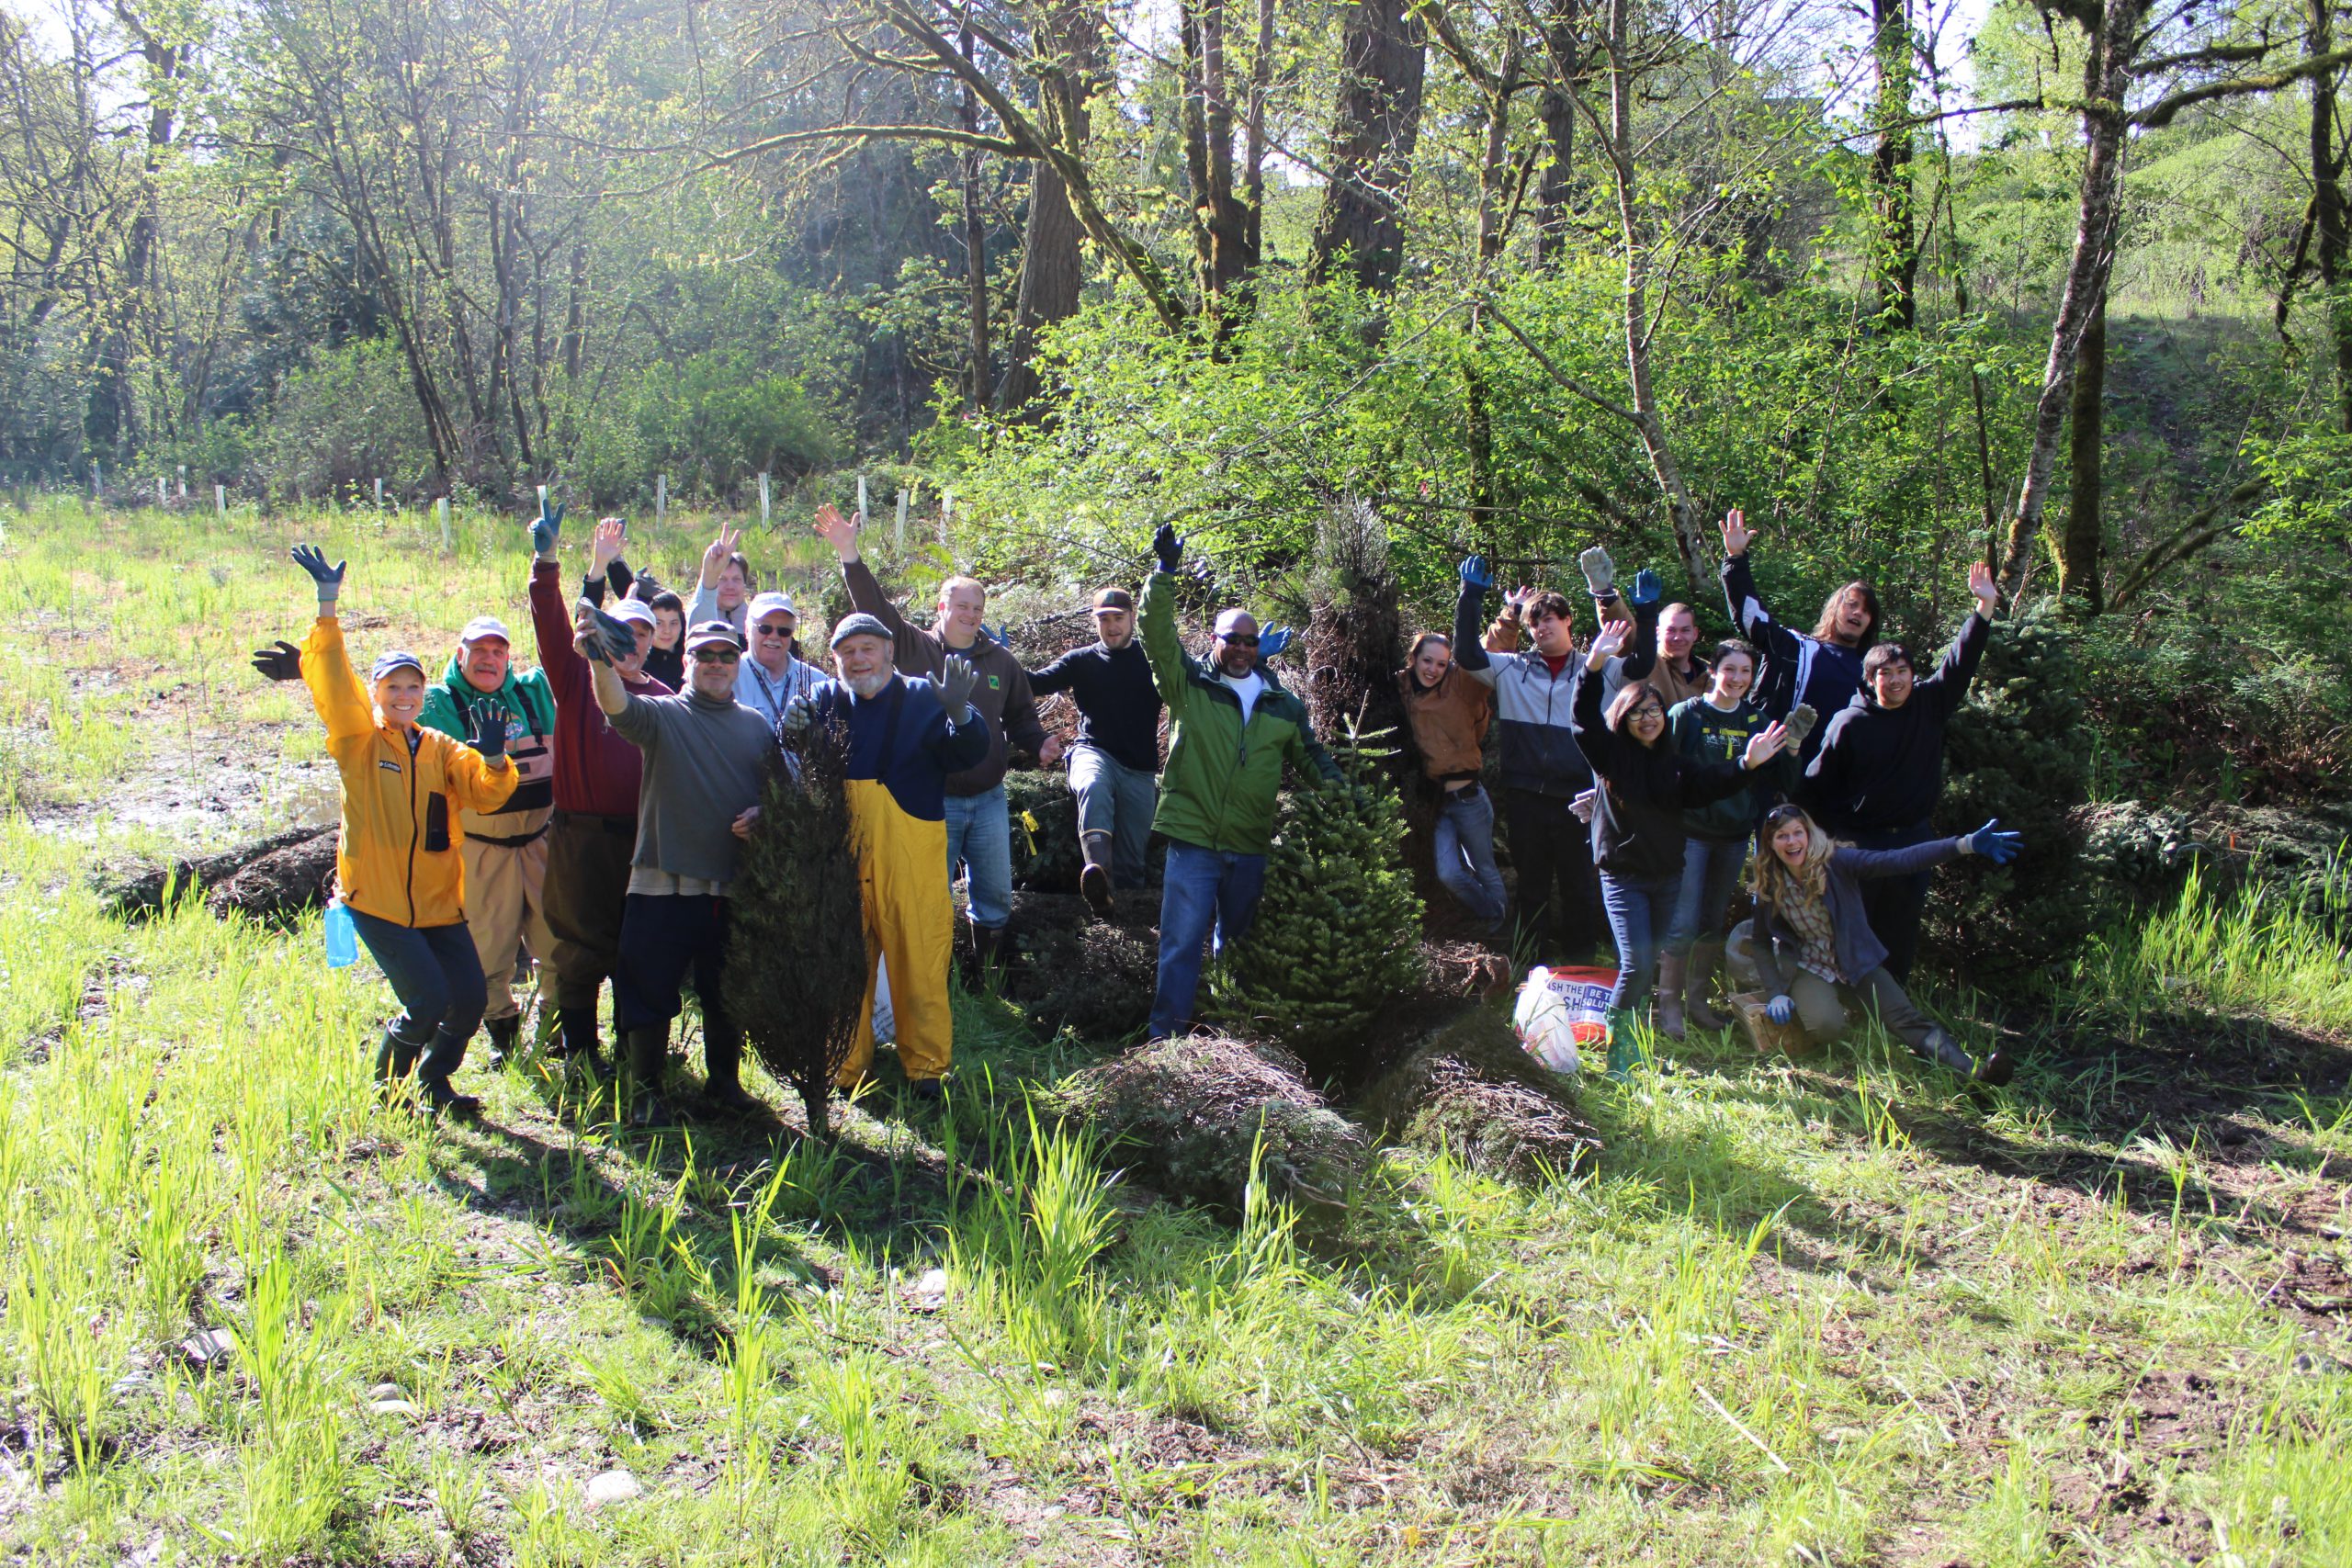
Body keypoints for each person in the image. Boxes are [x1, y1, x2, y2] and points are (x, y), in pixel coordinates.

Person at [287, 542, 517, 1119]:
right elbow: (335, 684)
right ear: (377, 694)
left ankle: (435, 1083)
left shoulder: (439, 746)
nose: (406, 696)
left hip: (440, 902)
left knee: (468, 1002)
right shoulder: (358, 741)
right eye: (393, 688)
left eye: (413, 687)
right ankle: (388, 1097)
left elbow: (487, 796)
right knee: (427, 1000)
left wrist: (492, 758)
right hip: (380, 902)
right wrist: (327, 604)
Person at [814, 502, 1061, 974]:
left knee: (994, 894)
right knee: (928, 894)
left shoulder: (1001, 662)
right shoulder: (912, 647)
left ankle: (986, 979)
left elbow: (1022, 717)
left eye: (977, 608)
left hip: (988, 797)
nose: (970, 615)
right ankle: (932, 978)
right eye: (961, 606)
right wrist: (850, 555)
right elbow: (873, 609)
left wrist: (1040, 744)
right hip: (932, 798)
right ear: (942, 608)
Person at [577, 611, 776, 1127]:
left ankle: (725, 1084)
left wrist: (764, 815)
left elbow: (778, 796)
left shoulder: (756, 727)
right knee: (648, 989)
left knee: (725, 992)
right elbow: (618, 707)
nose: (715, 664)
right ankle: (645, 1090)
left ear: (739, 664)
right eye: (704, 655)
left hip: (729, 888)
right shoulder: (663, 715)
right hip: (661, 883)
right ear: (686, 662)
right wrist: (600, 663)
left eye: (726, 656)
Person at [1141, 525, 1340, 1040]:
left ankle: (1231, 1037)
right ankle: (1166, 1044)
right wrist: (1163, 574)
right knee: (1182, 943)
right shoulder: (1189, 685)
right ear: (1216, 640)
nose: (1242, 648)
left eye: (1251, 641)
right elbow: (1155, 635)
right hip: (1194, 841)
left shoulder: (1281, 703)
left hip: (1250, 844)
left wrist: (1346, 799)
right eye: (1233, 638)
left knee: (1238, 944)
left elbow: (1313, 758)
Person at [1568, 617, 1793, 1071]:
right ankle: (1620, 1049)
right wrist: (1592, 667)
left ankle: (1639, 1033)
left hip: (1668, 875)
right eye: (1638, 712)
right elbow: (1583, 720)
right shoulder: (1611, 757)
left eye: (1653, 712)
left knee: (1650, 961)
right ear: (1624, 718)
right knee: (1635, 963)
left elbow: (1710, 784)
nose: (1648, 719)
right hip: (1624, 876)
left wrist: (1747, 766)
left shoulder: (1674, 764)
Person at [783, 615, 990, 1100]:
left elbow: (971, 753)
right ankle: (845, 1067)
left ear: (889, 651)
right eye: (847, 652)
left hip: (911, 858)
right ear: (836, 661)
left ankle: (926, 1071)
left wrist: (961, 715)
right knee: (844, 964)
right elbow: (789, 748)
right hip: (843, 857)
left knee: (919, 959)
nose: (858, 660)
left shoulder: (926, 696)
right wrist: (790, 725)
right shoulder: (826, 701)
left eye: (868, 648)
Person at [1799, 560, 1998, 984]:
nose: (1894, 681)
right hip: (1859, 842)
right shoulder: (1848, 722)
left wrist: (1983, 609)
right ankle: (1846, 1003)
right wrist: (1824, 841)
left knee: (1901, 928)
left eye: (1902, 672)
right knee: (1855, 927)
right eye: (1884, 674)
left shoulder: (1930, 705)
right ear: (1869, 680)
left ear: (1912, 674)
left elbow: (1959, 664)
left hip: (1913, 838)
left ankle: (1889, 1011)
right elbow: (1816, 788)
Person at [532, 513, 673, 1081]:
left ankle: (636, 1054)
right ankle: (580, 1052)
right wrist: (548, 565)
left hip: (644, 841)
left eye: (643, 635)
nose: (634, 642)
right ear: (607, 636)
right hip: (581, 837)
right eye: (625, 632)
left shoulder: (666, 697)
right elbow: (548, 622)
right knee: (580, 949)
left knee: (638, 949)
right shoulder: (574, 678)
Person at [1736, 804, 2019, 1084]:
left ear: (1808, 834)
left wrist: (1965, 844)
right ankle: (1820, 1004)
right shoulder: (1769, 884)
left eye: (1797, 832)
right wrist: (1775, 993)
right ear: (1770, 844)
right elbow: (1760, 942)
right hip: (1810, 967)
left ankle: (1976, 1073)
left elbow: (1897, 860)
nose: (1792, 841)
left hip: (1856, 964)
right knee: (1827, 1027)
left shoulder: (1837, 862)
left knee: (1906, 1020)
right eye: (1782, 836)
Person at [416, 613, 559, 1066]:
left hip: (541, 840)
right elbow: (386, 709)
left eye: (498, 651)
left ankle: (553, 1032)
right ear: (461, 655)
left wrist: (596, 576)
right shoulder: (437, 703)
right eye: (479, 651)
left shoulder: (533, 692)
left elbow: (569, 648)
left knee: (558, 944)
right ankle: (504, 1039)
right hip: (481, 845)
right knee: (487, 951)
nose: (489, 660)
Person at [1452, 560, 1605, 964]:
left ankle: (1581, 970)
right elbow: (1466, 654)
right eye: (1535, 622)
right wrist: (1470, 595)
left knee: (1578, 887)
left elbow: (1642, 668)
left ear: (1569, 621)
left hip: (1578, 800)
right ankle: (1528, 967)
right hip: (1525, 798)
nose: (1542, 628)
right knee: (1532, 886)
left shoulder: (1596, 669)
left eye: (1550, 619)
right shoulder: (1511, 668)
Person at [1661, 638, 1778, 1034]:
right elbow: (1661, 769)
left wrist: (1790, 748)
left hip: (1733, 835)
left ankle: (1697, 1003)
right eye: (1730, 669)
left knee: (1712, 919)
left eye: (1746, 671)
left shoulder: (1757, 723)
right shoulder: (1687, 715)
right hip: (1690, 833)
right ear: (1713, 670)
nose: (1738, 679)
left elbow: (1774, 782)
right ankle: (1668, 1006)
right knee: (1683, 920)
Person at [1026, 587, 1163, 914]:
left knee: (1132, 865)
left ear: (1132, 619)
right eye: (1104, 619)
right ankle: (1096, 873)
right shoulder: (1080, 660)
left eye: (1118, 618)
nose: (1112, 626)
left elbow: (1198, 678)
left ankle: (1121, 917)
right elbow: (1034, 683)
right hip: (1093, 751)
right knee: (1093, 784)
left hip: (1140, 768)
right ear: (1095, 621)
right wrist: (997, 659)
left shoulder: (1155, 660)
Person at [1718, 506, 1880, 749]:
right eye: (1852, 605)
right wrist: (1736, 559)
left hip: (1836, 779)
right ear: (1835, 609)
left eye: (1866, 611)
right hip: (1775, 772)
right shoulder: (1795, 649)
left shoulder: (1874, 673)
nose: (1858, 612)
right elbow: (1751, 617)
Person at [1396, 565, 1502, 933]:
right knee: (1448, 872)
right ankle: (1492, 914)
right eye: (1427, 660)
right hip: (1437, 801)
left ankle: (1498, 927)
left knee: (1484, 867)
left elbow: (1488, 651)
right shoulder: (1403, 688)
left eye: (1442, 663)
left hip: (1470, 798)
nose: (1433, 669)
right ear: (1414, 658)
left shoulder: (1461, 685)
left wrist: (1483, 603)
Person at [1579, 546, 1713, 709]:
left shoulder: (1712, 675)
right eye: (1670, 630)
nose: (1678, 637)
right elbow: (1624, 632)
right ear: (1658, 633)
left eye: (1685, 630)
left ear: (1695, 633)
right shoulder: (1647, 661)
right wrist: (1605, 594)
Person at [696, 578, 820, 729]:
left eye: (784, 631)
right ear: (747, 630)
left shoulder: (816, 681)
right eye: (765, 628)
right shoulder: (725, 675)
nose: (774, 636)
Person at [581, 515, 685, 689]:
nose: (667, 630)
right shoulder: (628, 661)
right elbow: (586, 621)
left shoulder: (688, 656)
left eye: (674, 623)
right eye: (659, 623)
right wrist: (604, 562)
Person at [692, 520, 756, 634]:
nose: (730, 586)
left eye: (736, 579)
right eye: (722, 579)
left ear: (744, 584)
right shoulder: (700, 618)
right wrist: (710, 575)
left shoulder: (759, 625)